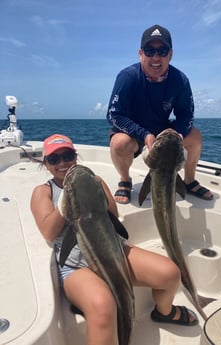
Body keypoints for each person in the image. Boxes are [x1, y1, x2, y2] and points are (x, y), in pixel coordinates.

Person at [31, 133, 199, 345]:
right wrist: (69, 199)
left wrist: (92, 190)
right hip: (75, 266)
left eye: (67, 155)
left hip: (113, 250)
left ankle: (164, 312)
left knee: (170, 273)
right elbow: (48, 232)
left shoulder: (95, 180)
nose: (63, 163)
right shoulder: (43, 192)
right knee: (103, 307)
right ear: (46, 164)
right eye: (54, 159)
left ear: (75, 156)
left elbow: (113, 213)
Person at [107, 24, 213, 204]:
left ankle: (188, 180)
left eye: (162, 51)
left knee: (195, 136)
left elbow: (186, 115)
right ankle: (125, 180)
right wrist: (144, 134)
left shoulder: (180, 80)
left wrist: (178, 133)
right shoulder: (128, 77)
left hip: (164, 131)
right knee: (119, 143)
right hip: (134, 133)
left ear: (170, 54)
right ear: (140, 53)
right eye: (149, 50)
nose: (156, 57)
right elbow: (114, 115)